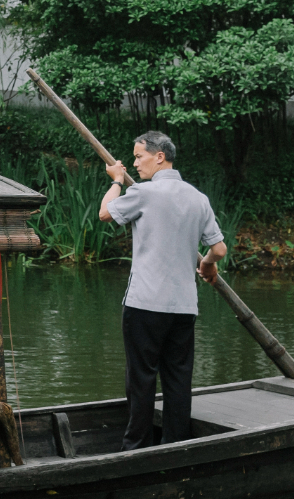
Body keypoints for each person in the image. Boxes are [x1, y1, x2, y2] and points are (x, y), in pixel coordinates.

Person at [98, 130, 228, 449]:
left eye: (138, 156)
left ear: (159, 157)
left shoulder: (143, 193)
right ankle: (175, 446)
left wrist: (117, 180)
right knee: (178, 380)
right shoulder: (198, 198)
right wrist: (208, 265)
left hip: (144, 304)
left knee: (141, 379)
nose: (134, 163)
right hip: (183, 308)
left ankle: (136, 449)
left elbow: (105, 213)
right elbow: (219, 249)